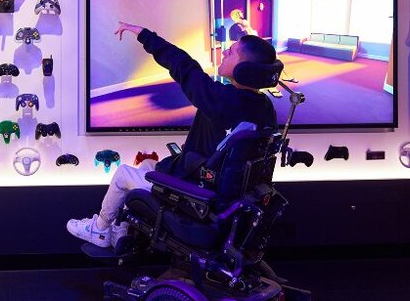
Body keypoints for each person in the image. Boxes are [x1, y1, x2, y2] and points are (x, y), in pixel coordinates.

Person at [67, 22, 278, 248]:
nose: (225, 51)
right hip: (224, 193)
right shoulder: (264, 107)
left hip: (197, 196)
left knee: (122, 174)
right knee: (148, 164)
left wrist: (144, 34)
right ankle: (121, 229)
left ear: (246, 70)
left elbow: (184, 66)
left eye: (233, 51)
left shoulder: (222, 99)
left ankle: (99, 229)